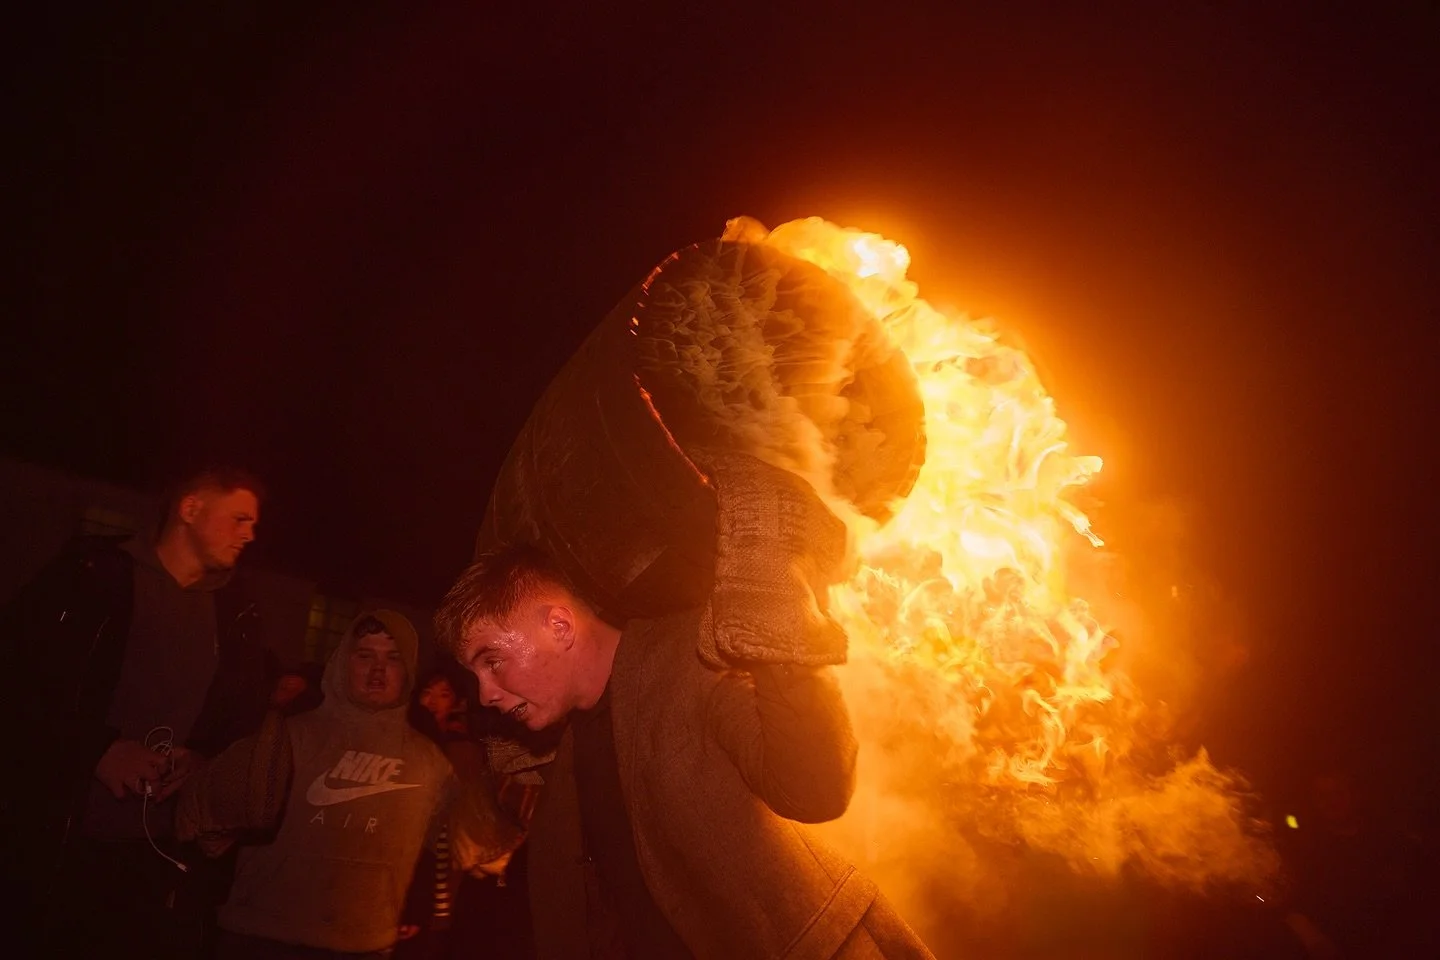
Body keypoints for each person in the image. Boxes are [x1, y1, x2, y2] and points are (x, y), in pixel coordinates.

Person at [434, 453, 935, 959]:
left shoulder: (692, 656)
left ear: (559, 627)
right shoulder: (557, 761)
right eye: (475, 673)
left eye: (492, 659)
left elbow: (815, 788)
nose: (485, 693)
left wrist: (770, 598)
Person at [0, 464, 270, 956]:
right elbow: (18, 686)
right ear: (190, 509)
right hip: (55, 842)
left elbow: (241, 724)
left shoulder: (238, 616)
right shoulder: (92, 576)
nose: (250, 534)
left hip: (160, 858)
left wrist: (201, 760)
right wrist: (97, 750)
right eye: (239, 518)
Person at [178, 610, 509, 959]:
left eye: (392, 658)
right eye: (365, 655)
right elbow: (201, 821)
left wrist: (502, 810)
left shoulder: (430, 761)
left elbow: (474, 845)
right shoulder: (289, 735)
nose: (378, 670)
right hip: (260, 939)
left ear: (408, 670)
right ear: (342, 663)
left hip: (362, 946)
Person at [397, 669, 532, 960]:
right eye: (427, 693)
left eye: (443, 695)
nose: (432, 702)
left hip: (447, 864)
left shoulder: (463, 750)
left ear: (458, 703)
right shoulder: (407, 743)